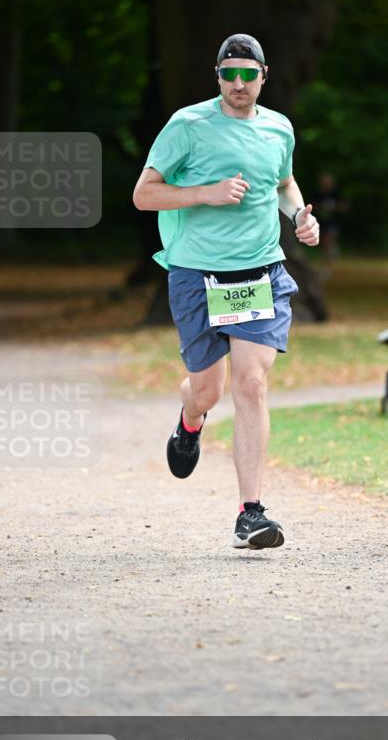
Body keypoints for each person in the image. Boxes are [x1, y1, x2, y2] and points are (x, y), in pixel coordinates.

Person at [132, 33, 319, 549]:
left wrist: (300, 215)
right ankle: (190, 420)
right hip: (197, 274)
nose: (239, 83)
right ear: (218, 77)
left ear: (263, 76)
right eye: (228, 74)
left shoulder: (279, 128)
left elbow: (283, 183)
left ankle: (251, 513)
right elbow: (144, 194)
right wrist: (205, 194)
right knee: (209, 390)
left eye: (248, 73)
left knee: (252, 384)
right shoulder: (188, 125)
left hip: (261, 271)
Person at [309, 171, 348, 267]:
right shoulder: (317, 194)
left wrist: (335, 207)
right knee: (325, 243)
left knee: (329, 240)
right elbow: (311, 206)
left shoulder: (336, 194)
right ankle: (330, 258)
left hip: (334, 222)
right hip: (321, 223)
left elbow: (345, 206)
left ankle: (330, 261)